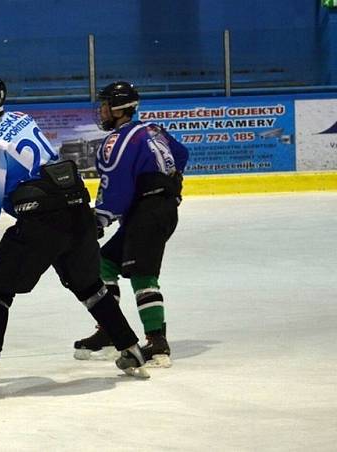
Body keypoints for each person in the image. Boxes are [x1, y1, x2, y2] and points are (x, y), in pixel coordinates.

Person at [0, 76, 149, 402]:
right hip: (77, 208)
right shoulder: (20, 119)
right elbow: (34, 171)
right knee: (89, 286)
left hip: (42, 220)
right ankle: (132, 350)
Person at [73, 81, 188, 368]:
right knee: (106, 262)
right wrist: (166, 182)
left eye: (104, 105)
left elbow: (117, 188)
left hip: (148, 212)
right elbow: (182, 155)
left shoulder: (118, 140)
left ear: (118, 109)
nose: (100, 110)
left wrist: (99, 219)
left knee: (142, 274)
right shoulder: (152, 129)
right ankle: (111, 331)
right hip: (157, 209)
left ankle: (157, 343)